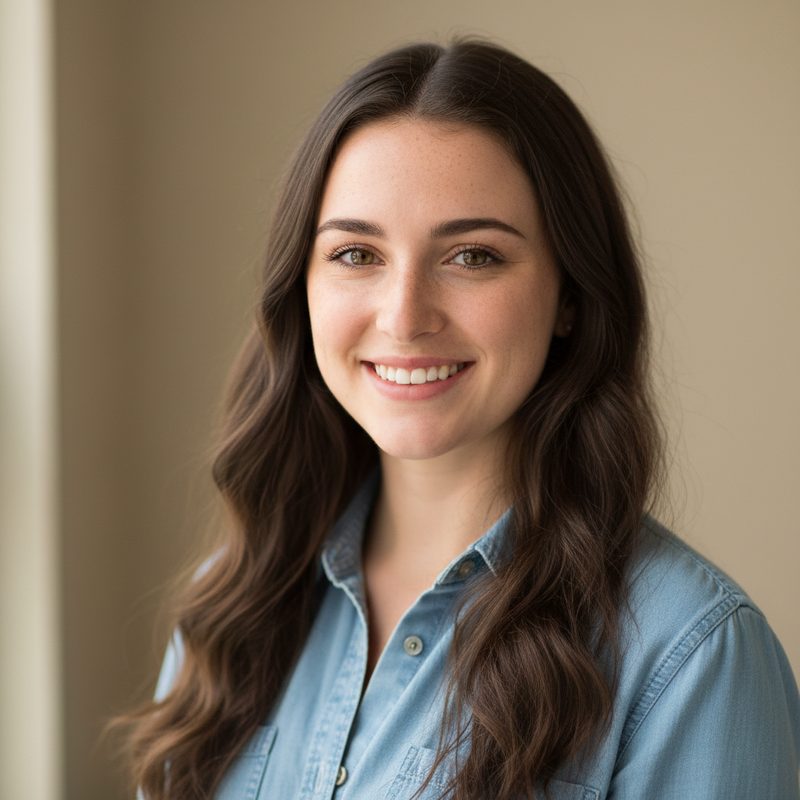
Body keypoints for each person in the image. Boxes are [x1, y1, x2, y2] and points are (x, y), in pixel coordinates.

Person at [122, 39, 800, 799]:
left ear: (571, 297)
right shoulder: (233, 607)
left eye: (473, 256)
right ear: (300, 287)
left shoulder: (692, 655)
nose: (405, 317)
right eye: (355, 254)